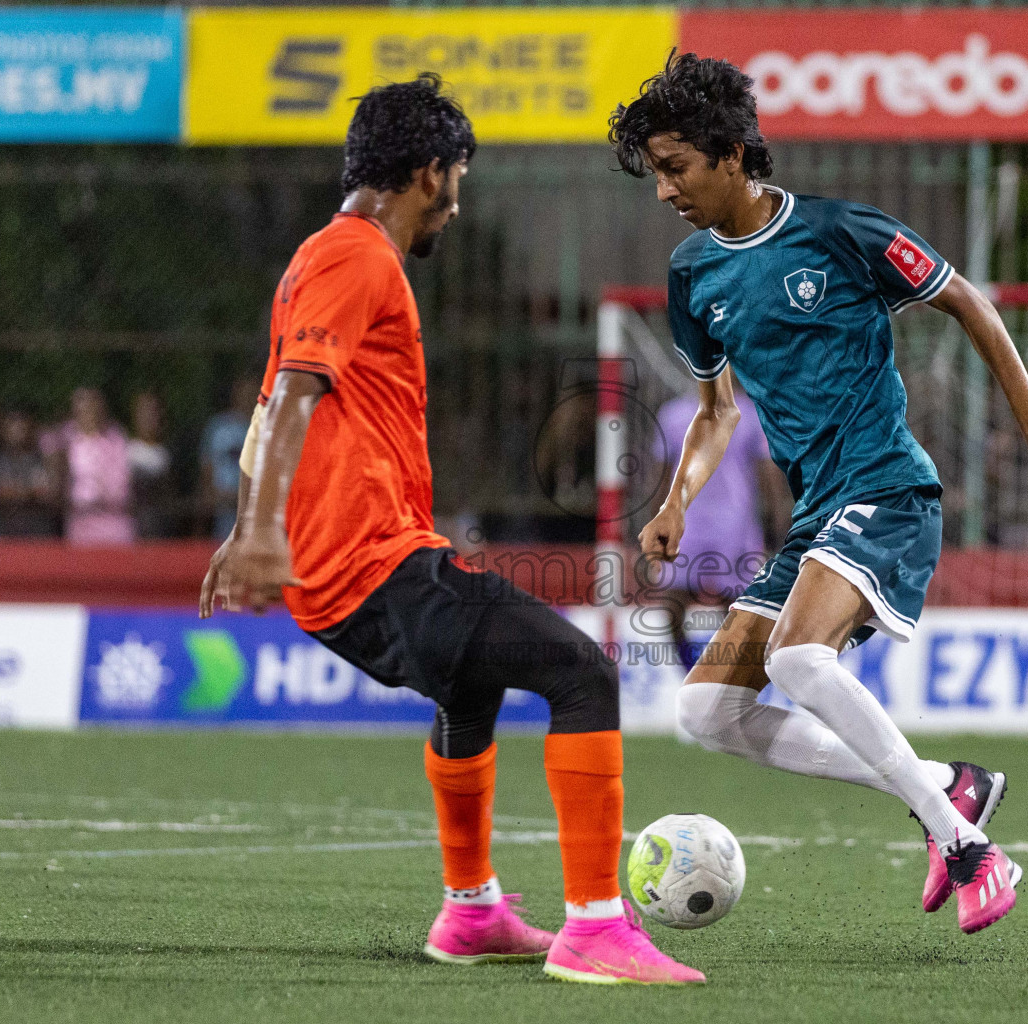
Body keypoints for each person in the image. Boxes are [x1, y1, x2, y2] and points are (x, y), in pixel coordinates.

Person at [199, 74, 701, 986]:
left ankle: (471, 911)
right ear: (430, 173)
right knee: (582, 672)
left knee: (469, 691)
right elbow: (293, 396)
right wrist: (260, 530)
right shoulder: (358, 255)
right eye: (459, 182)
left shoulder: (326, 255)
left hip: (361, 565)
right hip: (370, 565)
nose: (458, 207)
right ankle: (594, 926)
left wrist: (255, 525)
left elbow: (275, 399)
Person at [610, 53, 1028, 936]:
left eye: (675, 169)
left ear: (730, 153)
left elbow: (972, 305)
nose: (664, 191)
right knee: (704, 709)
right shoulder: (693, 275)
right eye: (654, 174)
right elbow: (718, 407)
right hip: (815, 517)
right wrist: (676, 500)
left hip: (886, 489)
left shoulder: (841, 232)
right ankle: (948, 787)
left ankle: (967, 845)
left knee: (799, 662)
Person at [649, 383, 783, 668]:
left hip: (735, 524)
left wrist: (775, 525)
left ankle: (726, 680)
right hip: (687, 523)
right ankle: (690, 672)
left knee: (735, 609)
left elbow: (766, 474)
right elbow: (662, 476)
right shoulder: (672, 415)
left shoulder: (747, 413)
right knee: (672, 605)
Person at [42, 387, 133, 546]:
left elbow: (121, 480)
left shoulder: (115, 437)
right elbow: (46, 441)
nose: (89, 413)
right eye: (83, 408)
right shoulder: (66, 436)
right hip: (80, 521)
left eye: (93, 407)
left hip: (113, 518)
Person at [0, 409, 57, 537]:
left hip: (37, 529)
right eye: (13, 427)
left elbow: (50, 493)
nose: (18, 432)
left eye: (23, 427)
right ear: (4, 430)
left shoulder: (42, 461)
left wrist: (25, 494)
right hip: (3, 527)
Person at [199, 376, 261, 539]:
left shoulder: (267, 428)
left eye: (252, 391)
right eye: (243, 391)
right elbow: (207, 469)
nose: (247, 396)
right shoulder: (219, 427)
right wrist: (214, 497)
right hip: (223, 514)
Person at [128, 391, 176, 539]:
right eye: (144, 412)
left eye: (154, 412)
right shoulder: (127, 451)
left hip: (160, 530)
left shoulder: (166, 455)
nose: (149, 418)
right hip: (132, 530)